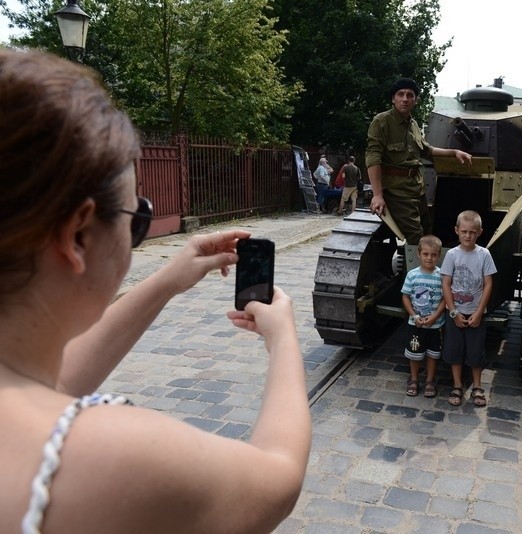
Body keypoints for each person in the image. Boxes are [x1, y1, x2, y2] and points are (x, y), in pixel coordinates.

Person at [0, 49, 311, 533]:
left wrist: (168, 279)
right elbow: (278, 478)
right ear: (79, 235)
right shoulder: (105, 455)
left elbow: (50, 387)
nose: (138, 230)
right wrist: (284, 337)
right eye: (137, 217)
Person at [365, 78, 473, 244]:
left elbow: (426, 150)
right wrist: (378, 195)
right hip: (396, 191)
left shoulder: (413, 124)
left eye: (410, 95)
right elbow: (373, 158)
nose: (405, 99)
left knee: (427, 229)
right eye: (400, 94)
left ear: (416, 100)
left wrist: (454, 152)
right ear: (393, 99)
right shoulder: (382, 121)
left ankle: (426, 267)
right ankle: (420, 269)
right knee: (416, 237)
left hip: (416, 188)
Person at [441, 211, 497, 407]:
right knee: (454, 349)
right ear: (456, 231)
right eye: (464, 231)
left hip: (476, 312)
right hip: (455, 312)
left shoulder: (484, 255)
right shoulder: (452, 255)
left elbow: (488, 284)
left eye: (472, 232)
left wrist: (479, 312)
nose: (468, 236)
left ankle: (477, 386)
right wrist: (454, 311)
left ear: (480, 232)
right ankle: (457, 385)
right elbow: (446, 284)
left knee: (475, 351)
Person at [400, 235, 446, 398]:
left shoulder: (441, 276)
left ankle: (430, 380)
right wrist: (414, 315)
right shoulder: (412, 275)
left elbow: (444, 299)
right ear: (418, 254)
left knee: (433, 354)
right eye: (425, 254)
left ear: (439, 256)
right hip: (416, 323)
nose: (429, 258)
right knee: (415, 353)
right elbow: (405, 296)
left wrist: (435, 316)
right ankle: (413, 379)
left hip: (435, 324)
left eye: (433, 254)